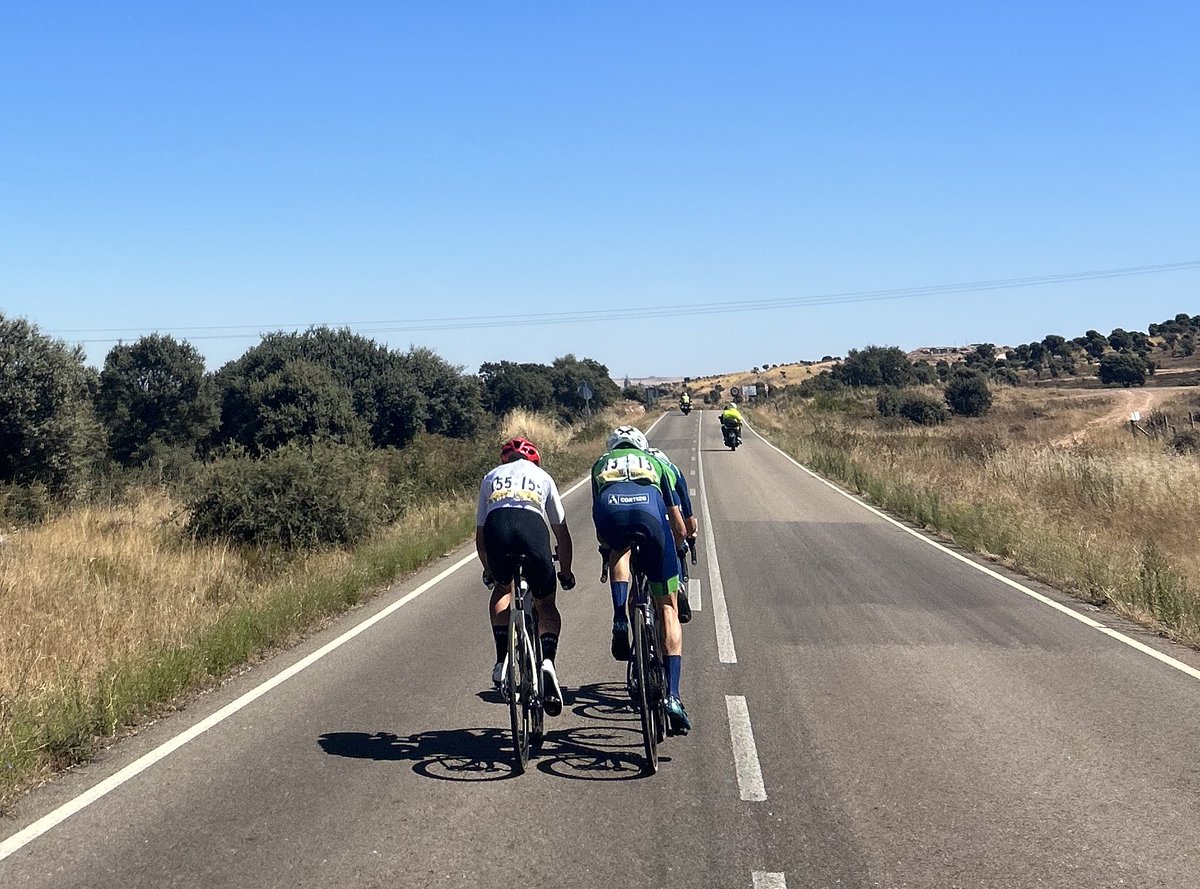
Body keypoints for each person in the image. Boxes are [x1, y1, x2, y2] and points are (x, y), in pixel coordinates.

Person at [591, 425, 692, 734]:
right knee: (668, 608)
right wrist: (681, 541)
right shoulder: (657, 463)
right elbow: (677, 519)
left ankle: (621, 616)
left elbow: (598, 519)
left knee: (618, 550)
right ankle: (673, 697)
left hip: (611, 516)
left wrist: (608, 548)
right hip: (651, 519)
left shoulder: (600, 463)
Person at [476, 437, 575, 717]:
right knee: (545, 605)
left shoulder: (491, 477)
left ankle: (501, 659)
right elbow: (562, 533)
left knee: (503, 591)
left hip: (498, 530)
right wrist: (565, 572)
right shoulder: (542, 477)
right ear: (534, 459)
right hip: (532, 529)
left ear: (505, 460)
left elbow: (480, 536)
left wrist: (490, 571)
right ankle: (547, 663)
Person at [646, 446, 698, 623]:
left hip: (644, 518)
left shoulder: (641, 467)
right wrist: (690, 535)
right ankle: (678, 585)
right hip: (668, 516)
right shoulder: (671, 469)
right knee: (675, 544)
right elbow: (686, 508)